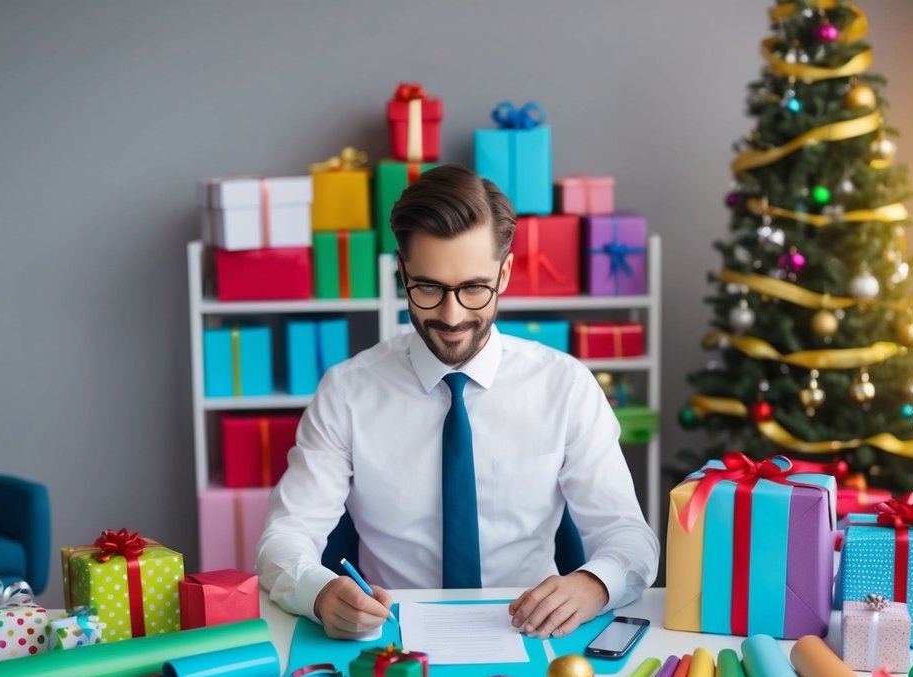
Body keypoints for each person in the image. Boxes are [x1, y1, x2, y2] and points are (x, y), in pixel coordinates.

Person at [256, 163, 658, 640]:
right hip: (391, 640)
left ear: (504, 273)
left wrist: (591, 585)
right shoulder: (346, 393)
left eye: (473, 288)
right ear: (402, 272)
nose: (452, 316)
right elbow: (282, 540)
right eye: (428, 287)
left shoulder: (565, 387)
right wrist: (320, 593)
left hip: (531, 635)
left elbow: (630, 539)